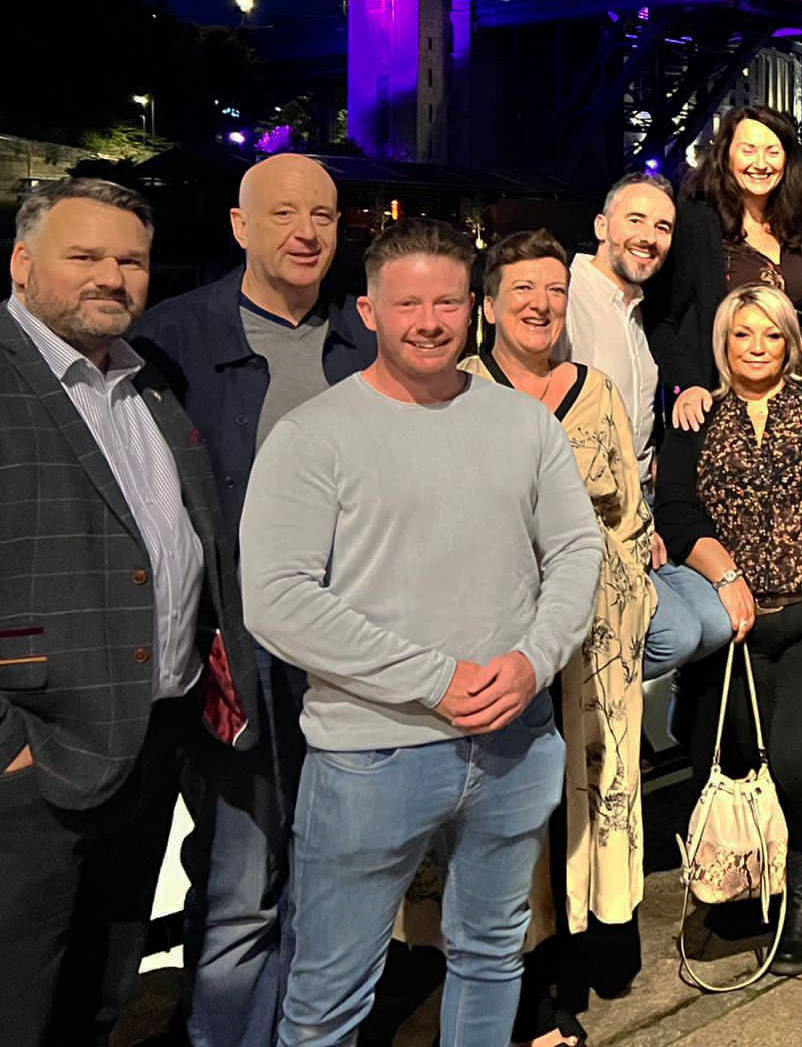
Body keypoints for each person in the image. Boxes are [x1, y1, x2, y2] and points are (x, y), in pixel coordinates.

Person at [239, 218, 603, 1045]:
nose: (428, 321)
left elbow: (579, 548)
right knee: (329, 993)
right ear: (367, 310)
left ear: (474, 307)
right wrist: (433, 678)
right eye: (407, 304)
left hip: (515, 736)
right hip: (372, 751)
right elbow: (276, 599)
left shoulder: (523, 423)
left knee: (491, 954)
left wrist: (532, 661)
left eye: (447, 301)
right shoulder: (312, 435)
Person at [0, 178, 262, 1045]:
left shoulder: (144, 382)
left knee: (99, 989)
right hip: (33, 762)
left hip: (147, 741)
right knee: (17, 999)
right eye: (85, 256)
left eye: (130, 259)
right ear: (23, 262)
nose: (111, 276)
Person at [127, 153, 374, 1047]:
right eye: (283, 214)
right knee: (238, 884)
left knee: (330, 875)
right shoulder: (173, 339)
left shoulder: (363, 337)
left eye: (323, 215)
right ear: (240, 226)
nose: (306, 232)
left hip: (347, 655)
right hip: (238, 654)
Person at [398, 230, 654, 1044]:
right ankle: (496, 996)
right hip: (496, 644)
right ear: (489, 305)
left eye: (552, 290)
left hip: (592, 652)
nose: (540, 305)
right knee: (497, 823)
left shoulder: (598, 390)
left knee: (568, 813)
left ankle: (556, 990)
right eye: (522, 291)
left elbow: (631, 514)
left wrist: (631, 598)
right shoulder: (454, 391)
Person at [656, 284, 802, 975]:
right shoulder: (697, 417)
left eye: (771, 335)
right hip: (743, 628)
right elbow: (675, 509)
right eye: (742, 336)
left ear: (791, 342)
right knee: (756, 765)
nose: (756, 348)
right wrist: (725, 574)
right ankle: (795, 894)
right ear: (723, 344)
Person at [567, 173, 731, 692]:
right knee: (676, 636)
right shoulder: (569, 298)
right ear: (601, 224)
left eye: (662, 226)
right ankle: (569, 702)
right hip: (588, 523)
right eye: (635, 220)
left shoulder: (637, 316)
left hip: (642, 513)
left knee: (718, 622)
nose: (649, 235)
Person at [650, 105, 802, 401]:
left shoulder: (798, 222)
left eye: (772, 151)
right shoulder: (699, 221)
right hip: (727, 397)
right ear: (726, 155)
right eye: (748, 150)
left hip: (799, 396)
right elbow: (662, 319)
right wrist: (688, 385)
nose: (761, 163)